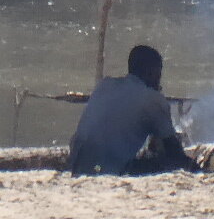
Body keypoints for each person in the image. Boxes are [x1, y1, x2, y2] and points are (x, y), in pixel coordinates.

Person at [66, 44, 199, 176]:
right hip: (106, 169)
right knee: (166, 163)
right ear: (151, 72)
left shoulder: (105, 85)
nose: (159, 81)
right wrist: (195, 167)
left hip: (76, 164)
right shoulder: (152, 99)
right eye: (158, 74)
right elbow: (173, 152)